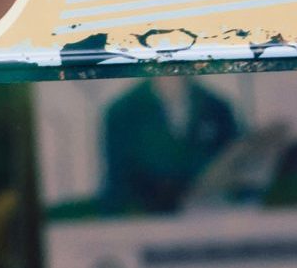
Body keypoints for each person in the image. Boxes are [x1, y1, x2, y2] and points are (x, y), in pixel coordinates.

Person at [98, 77, 242, 214]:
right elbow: (118, 185)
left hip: (210, 220)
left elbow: (235, 171)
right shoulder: (123, 112)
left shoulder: (217, 108)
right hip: (143, 226)